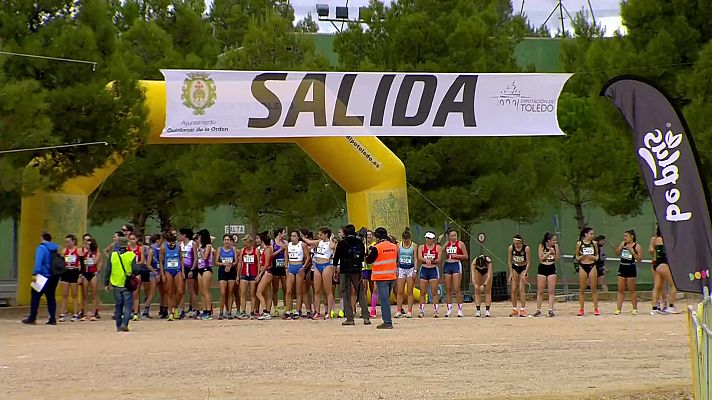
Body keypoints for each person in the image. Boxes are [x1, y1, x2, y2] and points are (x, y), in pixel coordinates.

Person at [334, 225, 370, 325]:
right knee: (360, 292)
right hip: (357, 270)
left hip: (345, 270)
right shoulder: (359, 242)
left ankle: (350, 318)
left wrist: (335, 270)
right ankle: (366, 316)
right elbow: (363, 257)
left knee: (345, 293)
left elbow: (336, 257)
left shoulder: (342, 243)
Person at [22, 232, 61, 325]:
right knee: (51, 297)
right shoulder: (55, 248)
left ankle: (32, 318)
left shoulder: (41, 248)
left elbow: (38, 262)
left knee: (35, 296)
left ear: (42, 238)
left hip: (43, 275)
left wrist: (35, 273)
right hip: (54, 276)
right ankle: (52, 318)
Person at [364, 227, 398, 329]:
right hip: (391, 276)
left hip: (381, 276)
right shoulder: (394, 246)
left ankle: (387, 322)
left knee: (384, 301)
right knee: (386, 299)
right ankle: (387, 320)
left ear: (377, 236)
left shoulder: (377, 247)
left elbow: (369, 261)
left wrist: (367, 254)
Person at [104, 237, 138, 332]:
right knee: (127, 305)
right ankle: (124, 324)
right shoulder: (131, 255)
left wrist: (106, 283)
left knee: (118, 305)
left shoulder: (113, 255)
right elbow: (135, 270)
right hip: (127, 284)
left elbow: (108, 270)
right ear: (127, 245)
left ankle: (118, 325)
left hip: (116, 283)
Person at [301, 228, 336, 319]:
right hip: (317, 265)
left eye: (321, 235)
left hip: (326, 265)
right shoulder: (319, 242)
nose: (319, 236)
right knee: (316, 290)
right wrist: (301, 237)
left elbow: (332, 247)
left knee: (328, 290)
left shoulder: (331, 242)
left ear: (326, 234)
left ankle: (329, 311)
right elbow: (309, 241)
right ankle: (317, 311)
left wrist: (332, 238)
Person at [649, 227, 678, 315]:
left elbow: (650, 251)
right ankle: (671, 305)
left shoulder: (654, 239)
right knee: (673, 285)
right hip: (663, 263)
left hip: (656, 263)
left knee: (657, 286)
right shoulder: (667, 239)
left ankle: (654, 307)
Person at [613, 230, 641, 315]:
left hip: (631, 266)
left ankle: (634, 308)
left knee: (631, 289)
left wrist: (632, 251)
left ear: (632, 236)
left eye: (626, 236)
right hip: (622, 266)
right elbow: (617, 253)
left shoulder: (637, 246)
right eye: (624, 236)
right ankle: (618, 309)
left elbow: (639, 259)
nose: (625, 238)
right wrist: (618, 249)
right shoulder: (623, 243)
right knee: (620, 289)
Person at [442, 229, 468, 318]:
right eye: (452, 236)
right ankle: (449, 309)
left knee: (456, 288)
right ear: (449, 236)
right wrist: (439, 242)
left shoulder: (460, 244)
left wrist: (456, 256)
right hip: (447, 265)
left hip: (456, 264)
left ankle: (460, 309)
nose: (453, 237)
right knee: (448, 288)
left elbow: (465, 256)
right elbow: (439, 251)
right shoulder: (446, 244)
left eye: (455, 235)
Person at [284, 230, 309, 320]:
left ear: (298, 237)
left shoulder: (302, 245)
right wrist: (286, 267)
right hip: (291, 267)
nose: (292, 237)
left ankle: (298, 310)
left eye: (294, 236)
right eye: (291, 236)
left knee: (298, 290)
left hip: (299, 266)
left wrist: (303, 267)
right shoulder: (288, 245)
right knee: (289, 290)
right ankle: (288, 310)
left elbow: (307, 257)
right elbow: (286, 256)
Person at [575, 227, 600, 316]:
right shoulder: (579, 244)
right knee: (582, 289)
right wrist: (582, 257)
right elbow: (577, 257)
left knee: (593, 288)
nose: (593, 235)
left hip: (592, 265)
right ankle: (581, 309)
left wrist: (592, 257)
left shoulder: (594, 243)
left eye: (593, 234)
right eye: (591, 234)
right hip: (583, 265)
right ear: (586, 234)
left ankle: (596, 308)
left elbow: (597, 256)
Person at [159, 232, 184, 321]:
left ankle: (175, 306)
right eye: (170, 242)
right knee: (169, 292)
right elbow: (161, 262)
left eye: (173, 242)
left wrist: (183, 271)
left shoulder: (178, 247)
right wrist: (162, 274)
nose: (172, 244)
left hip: (177, 270)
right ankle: (171, 312)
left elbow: (181, 259)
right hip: (168, 270)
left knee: (180, 291)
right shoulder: (163, 248)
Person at [534, 232, 559, 317]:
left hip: (551, 267)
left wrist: (554, 253)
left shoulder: (556, 247)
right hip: (542, 268)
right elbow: (541, 258)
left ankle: (551, 309)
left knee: (551, 290)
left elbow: (557, 258)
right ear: (548, 240)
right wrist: (548, 253)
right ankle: (538, 309)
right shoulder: (541, 246)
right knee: (540, 290)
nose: (555, 242)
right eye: (553, 240)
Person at [418, 231, 442, 318]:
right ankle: (421, 311)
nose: (428, 240)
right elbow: (420, 257)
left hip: (433, 270)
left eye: (429, 238)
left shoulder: (438, 248)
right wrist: (425, 260)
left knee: (434, 291)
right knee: (422, 292)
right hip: (424, 269)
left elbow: (439, 259)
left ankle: (436, 311)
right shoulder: (421, 247)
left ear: (433, 239)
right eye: (427, 238)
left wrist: (431, 261)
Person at [59, 234, 83, 322]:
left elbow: (82, 263)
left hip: (74, 272)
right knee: (64, 294)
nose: (67, 243)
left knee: (75, 294)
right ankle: (62, 313)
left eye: (69, 241)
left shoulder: (78, 250)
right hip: (66, 272)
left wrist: (80, 275)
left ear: (73, 241)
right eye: (66, 242)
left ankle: (75, 313)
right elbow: (61, 262)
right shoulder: (64, 250)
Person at [394, 228, 417, 319]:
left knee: (410, 291)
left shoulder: (414, 245)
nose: (405, 241)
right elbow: (396, 258)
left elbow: (415, 258)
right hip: (401, 268)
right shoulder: (399, 245)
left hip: (410, 268)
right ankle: (399, 310)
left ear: (409, 238)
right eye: (404, 239)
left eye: (407, 239)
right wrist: (396, 268)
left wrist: (415, 270)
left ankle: (409, 311)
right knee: (400, 291)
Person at [507, 234, 530, 317]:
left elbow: (529, 262)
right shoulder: (511, 248)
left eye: (518, 243)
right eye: (515, 243)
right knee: (513, 289)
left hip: (523, 267)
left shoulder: (526, 248)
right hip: (515, 267)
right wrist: (510, 273)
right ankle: (514, 309)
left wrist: (525, 273)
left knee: (521, 289)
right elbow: (509, 261)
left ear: (521, 242)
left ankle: (523, 309)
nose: (516, 245)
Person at [215, 234, 238, 320]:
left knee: (230, 292)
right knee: (223, 292)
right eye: (225, 240)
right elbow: (216, 262)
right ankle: (221, 312)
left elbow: (236, 261)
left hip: (231, 271)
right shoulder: (219, 249)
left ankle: (229, 312)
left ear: (230, 241)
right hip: (222, 271)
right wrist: (224, 264)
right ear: (223, 241)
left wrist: (230, 265)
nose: (227, 241)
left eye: (228, 240)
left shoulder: (233, 249)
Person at [79, 238, 102, 321]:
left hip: (92, 273)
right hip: (85, 273)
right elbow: (81, 263)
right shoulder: (83, 253)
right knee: (84, 295)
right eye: (87, 244)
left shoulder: (96, 253)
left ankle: (93, 313)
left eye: (89, 244)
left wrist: (91, 255)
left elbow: (95, 262)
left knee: (94, 294)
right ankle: (84, 313)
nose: (87, 246)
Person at [238, 235, 259, 319]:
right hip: (244, 274)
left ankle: (252, 311)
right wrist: (237, 275)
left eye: (246, 242)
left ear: (251, 243)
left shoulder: (255, 251)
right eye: (244, 242)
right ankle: (243, 311)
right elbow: (240, 263)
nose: (245, 244)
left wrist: (258, 274)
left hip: (253, 274)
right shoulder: (243, 250)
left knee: (252, 294)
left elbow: (258, 264)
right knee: (242, 293)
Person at [195, 229, 214, 320]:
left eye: (199, 236)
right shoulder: (200, 246)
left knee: (206, 290)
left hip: (206, 269)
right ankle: (204, 310)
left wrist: (200, 250)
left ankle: (209, 311)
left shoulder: (208, 246)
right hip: (200, 269)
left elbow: (205, 257)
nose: (198, 238)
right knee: (202, 291)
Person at [127, 233, 145, 321]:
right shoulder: (127, 249)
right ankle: (128, 311)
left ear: (137, 240)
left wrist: (134, 264)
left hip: (136, 272)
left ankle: (136, 312)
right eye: (130, 239)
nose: (132, 241)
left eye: (133, 239)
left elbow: (142, 261)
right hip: (128, 272)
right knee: (127, 293)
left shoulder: (140, 248)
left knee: (136, 293)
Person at [255, 232, 274, 320]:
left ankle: (265, 312)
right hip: (267, 272)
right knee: (267, 294)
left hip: (266, 272)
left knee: (258, 292)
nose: (256, 240)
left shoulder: (267, 250)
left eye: (257, 239)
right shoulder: (265, 250)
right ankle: (267, 312)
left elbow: (266, 264)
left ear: (261, 240)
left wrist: (259, 275)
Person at [179, 228, 197, 318]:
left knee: (191, 290)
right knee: (181, 291)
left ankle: (195, 309)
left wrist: (192, 270)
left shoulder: (192, 244)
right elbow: (180, 258)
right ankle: (181, 310)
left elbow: (196, 258)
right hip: (183, 268)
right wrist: (182, 270)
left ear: (184, 235)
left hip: (190, 268)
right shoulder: (180, 244)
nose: (179, 236)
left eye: (180, 234)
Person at [270, 228, 288, 317]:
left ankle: (286, 308)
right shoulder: (272, 242)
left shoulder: (286, 243)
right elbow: (271, 255)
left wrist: (286, 266)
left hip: (283, 268)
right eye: (284, 233)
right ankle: (276, 309)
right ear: (280, 233)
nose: (285, 234)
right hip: (275, 267)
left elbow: (286, 256)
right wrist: (280, 249)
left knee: (286, 288)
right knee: (275, 289)